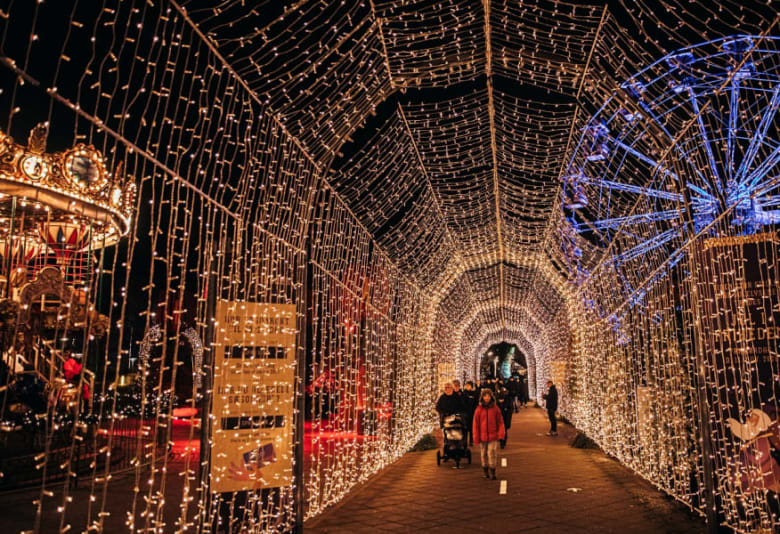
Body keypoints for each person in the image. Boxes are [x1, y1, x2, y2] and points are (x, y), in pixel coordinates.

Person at [472, 388, 505, 479]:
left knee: (492, 452)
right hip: (482, 436)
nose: (486, 398)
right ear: (482, 397)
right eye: (485, 396)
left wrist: (501, 433)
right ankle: (485, 470)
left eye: (488, 396)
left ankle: (492, 470)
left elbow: (500, 422)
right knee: (483, 454)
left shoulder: (495, 409)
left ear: (491, 397)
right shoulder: (479, 409)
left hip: (493, 435)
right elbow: (476, 424)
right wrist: (476, 436)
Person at [462, 381, 479, 446]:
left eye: (468, 385)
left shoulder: (474, 393)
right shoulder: (464, 393)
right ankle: (465, 441)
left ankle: (471, 440)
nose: (467, 387)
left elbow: (476, 402)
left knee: (472, 427)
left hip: (472, 412)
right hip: (465, 413)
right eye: (466, 385)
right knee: (465, 428)